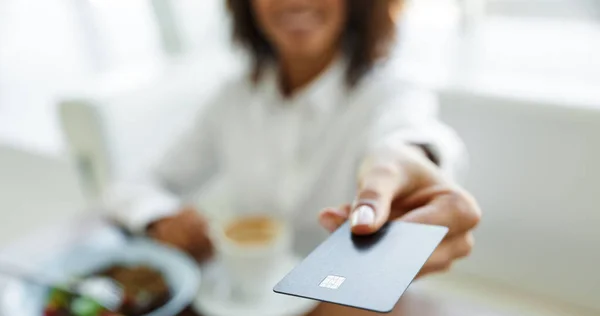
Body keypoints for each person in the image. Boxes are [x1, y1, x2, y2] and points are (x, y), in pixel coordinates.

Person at [106, 0, 480, 277]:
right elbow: (135, 183)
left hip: (359, 311)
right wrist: (160, 218)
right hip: (253, 305)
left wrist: (416, 158)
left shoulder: (393, 92)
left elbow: (413, 136)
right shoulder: (232, 99)